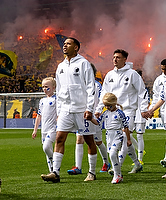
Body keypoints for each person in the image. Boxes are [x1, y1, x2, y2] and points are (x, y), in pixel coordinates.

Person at [41, 37, 98, 183]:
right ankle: (55, 172)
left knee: (89, 140)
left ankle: (91, 172)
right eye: (64, 44)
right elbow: (59, 91)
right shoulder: (60, 66)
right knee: (60, 138)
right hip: (66, 109)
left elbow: (91, 87)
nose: (65, 45)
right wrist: (59, 112)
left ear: (76, 48)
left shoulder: (83, 63)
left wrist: (89, 108)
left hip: (81, 109)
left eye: (68, 44)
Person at [95, 49, 149, 174]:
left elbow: (142, 92)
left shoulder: (132, 74)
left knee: (124, 136)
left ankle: (116, 167)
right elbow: (104, 93)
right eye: (114, 57)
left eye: (118, 57)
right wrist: (99, 109)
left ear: (125, 59)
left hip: (128, 110)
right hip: (112, 111)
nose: (115, 59)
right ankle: (137, 163)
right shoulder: (109, 75)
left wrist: (143, 109)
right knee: (123, 140)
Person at [67, 63, 110, 175]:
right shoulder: (80, 84)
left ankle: (106, 162)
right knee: (79, 139)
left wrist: (98, 111)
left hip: (93, 117)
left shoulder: (97, 85)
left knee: (97, 142)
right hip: (81, 115)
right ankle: (78, 167)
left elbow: (101, 100)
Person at [91, 93, 129, 184]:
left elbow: (126, 127)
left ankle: (116, 175)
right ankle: (119, 175)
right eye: (105, 105)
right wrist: (90, 119)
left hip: (117, 134)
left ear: (114, 103)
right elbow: (97, 122)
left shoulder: (120, 113)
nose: (107, 107)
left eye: (109, 105)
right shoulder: (105, 113)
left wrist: (128, 139)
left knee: (112, 154)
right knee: (113, 155)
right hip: (108, 135)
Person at [32, 77, 57, 173]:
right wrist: (35, 130)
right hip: (44, 129)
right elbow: (39, 116)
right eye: (43, 87)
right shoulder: (42, 101)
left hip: (53, 128)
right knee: (47, 150)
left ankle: (55, 163)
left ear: (53, 88)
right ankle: (52, 171)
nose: (44, 89)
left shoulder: (56, 100)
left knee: (46, 147)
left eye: (47, 87)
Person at [130, 69, 149, 165]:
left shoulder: (143, 89)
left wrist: (144, 111)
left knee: (139, 135)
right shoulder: (129, 86)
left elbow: (145, 100)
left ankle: (140, 158)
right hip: (130, 112)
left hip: (140, 113)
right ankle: (139, 148)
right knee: (126, 134)